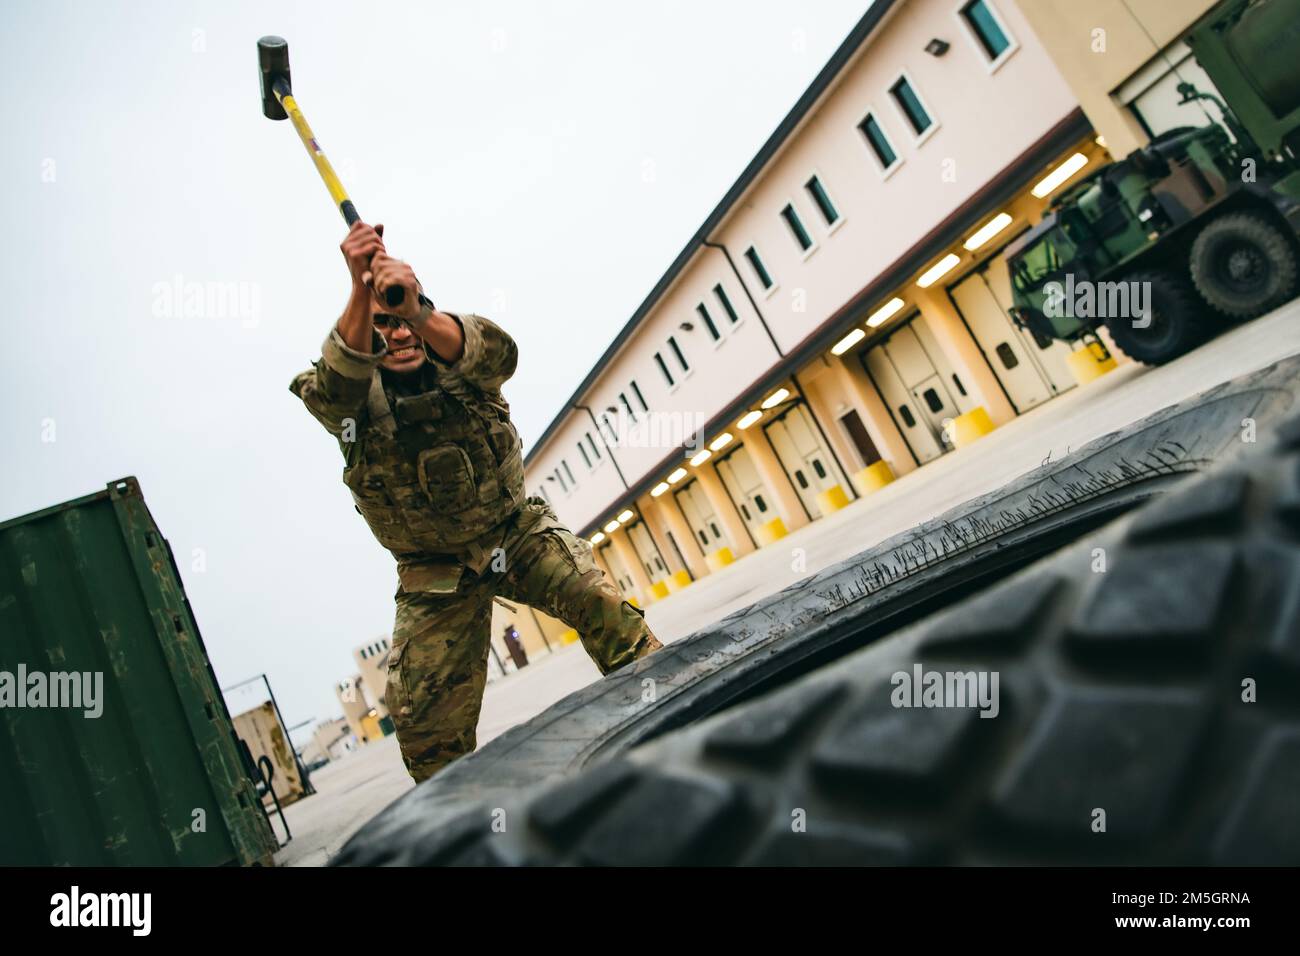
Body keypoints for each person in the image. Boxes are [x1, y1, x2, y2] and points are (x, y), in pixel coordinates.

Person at [290, 220, 662, 782]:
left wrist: (413, 308)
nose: (401, 334)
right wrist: (360, 291)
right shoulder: (350, 403)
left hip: (516, 533)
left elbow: (501, 357)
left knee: (603, 605)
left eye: (408, 319)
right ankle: (462, 829)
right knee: (422, 723)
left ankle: (677, 728)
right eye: (383, 326)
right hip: (433, 572)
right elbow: (332, 389)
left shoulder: (463, 357)